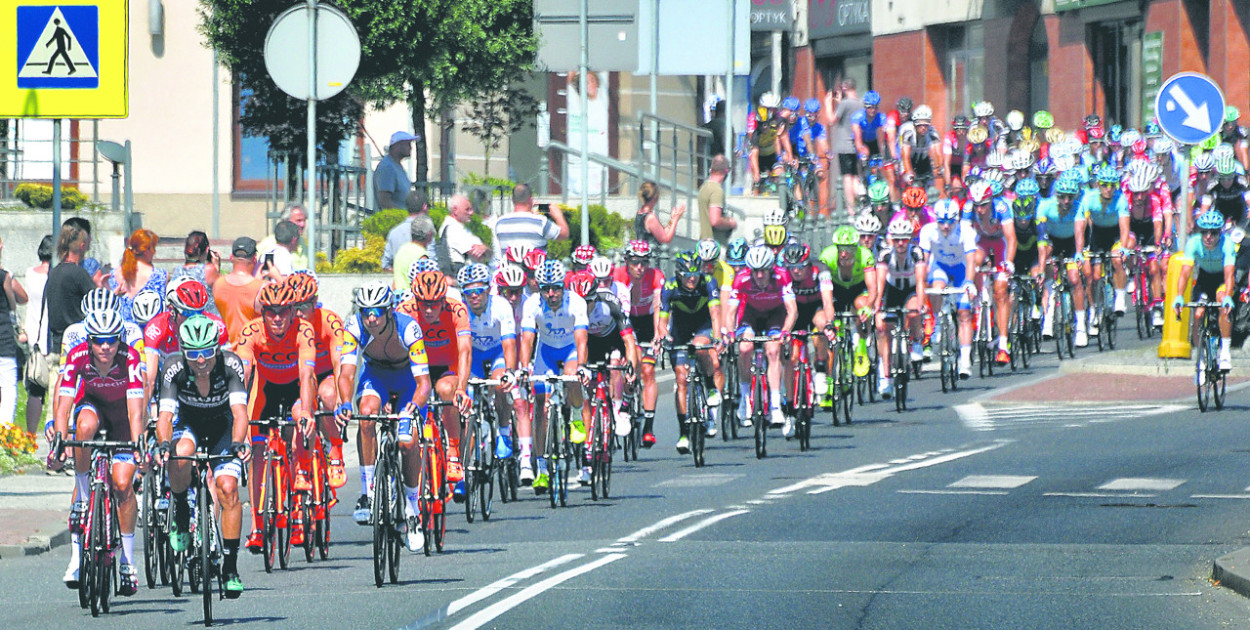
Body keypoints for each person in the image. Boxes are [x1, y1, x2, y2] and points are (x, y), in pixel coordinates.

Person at [50, 309, 144, 594]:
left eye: (111, 341)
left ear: (119, 339)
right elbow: (65, 401)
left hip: (122, 419)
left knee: (122, 485)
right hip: (92, 408)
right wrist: (59, 439)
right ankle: (82, 498)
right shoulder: (77, 356)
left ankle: (127, 560)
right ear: (90, 340)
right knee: (84, 427)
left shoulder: (131, 358)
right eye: (99, 341)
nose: (105, 347)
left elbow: (135, 409)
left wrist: (139, 444)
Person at [156, 315, 251, 598]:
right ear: (184, 352)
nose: (200, 360)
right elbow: (165, 416)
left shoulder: (231, 365)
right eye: (193, 353)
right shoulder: (173, 367)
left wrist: (237, 442)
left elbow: (240, 414)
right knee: (180, 454)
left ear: (217, 349)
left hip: (223, 427)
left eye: (206, 353)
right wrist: (163, 443)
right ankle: (182, 509)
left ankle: (231, 568)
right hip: (189, 425)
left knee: (229, 489)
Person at [336, 281, 432, 549]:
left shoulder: (408, 327)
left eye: (377, 311)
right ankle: (368, 493)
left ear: (389, 310)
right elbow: (346, 373)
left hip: (408, 383)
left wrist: (413, 405)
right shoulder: (354, 326)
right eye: (366, 311)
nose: (371, 318)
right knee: (366, 414)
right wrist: (345, 403)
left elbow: (424, 382)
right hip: (376, 377)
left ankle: (412, 508)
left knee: (407, 442)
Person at [235, 282, 317, 552]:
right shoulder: (251, 331)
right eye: (271, 312)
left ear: (293, 311)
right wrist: (237, 414)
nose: (278, 318)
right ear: (263, 312)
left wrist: (306, 410)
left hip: (296, 390)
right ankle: (257, 527)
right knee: (256, 452)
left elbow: (306, 376)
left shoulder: (304, 330)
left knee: (299, 423)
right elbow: (243, 374)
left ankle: (300, 489)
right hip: (267, 392)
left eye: (283, 311)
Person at [397, 271, 473, 499]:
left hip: (447, 365)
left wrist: (461, 386)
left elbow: (465, 350)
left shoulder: (457, 309)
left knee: (446, 391)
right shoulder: (404, 310)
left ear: (443, 300)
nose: (428, 310)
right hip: (417, 367)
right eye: (423, 304)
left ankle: (452, 450)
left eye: (434, 304)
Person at [517, 260, 591, 491]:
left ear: (563, 286)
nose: (551, 294)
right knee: (540, 405)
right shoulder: (532, 304)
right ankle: (541, 468)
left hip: (569, 349)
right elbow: (528, 338)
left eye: (556, 288)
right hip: (546, 351)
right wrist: (523, 367)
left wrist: (582, 366)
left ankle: (577, 415)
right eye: (546, 288)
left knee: (572, 374)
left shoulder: (576, 302)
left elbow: (581, 338)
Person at [726, 245, 796, 429]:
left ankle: (774, 405)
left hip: (775, 314)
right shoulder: (741, 278)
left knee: (773, 351)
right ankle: (744, 397)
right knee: (745, 348)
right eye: (755, 271)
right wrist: (731, 332)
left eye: (763, 271)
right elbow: (731, 310)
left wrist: (786, 331)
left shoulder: (782, 276)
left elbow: (792, 310)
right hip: (751, 315)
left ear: (770, 269)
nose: (759, 276)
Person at [657, 252, 723, 448]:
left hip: (702, 323)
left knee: (702, 348)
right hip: (680, 328)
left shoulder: (708, 281)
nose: (692, 278)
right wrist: (664, 337)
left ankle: (711, 387)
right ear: (679, 274)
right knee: (681, 379)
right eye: (687, 275)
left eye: (694, 274)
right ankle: (684, 433)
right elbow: (662, 321)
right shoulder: (669, 286)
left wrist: (718, 336)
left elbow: (715, 312)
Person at [613, 241, 665, 447]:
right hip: (626, 322)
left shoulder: (656, 276)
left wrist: (658, 335)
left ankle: (649, 427)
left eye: (644, 262)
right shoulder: (618, 276)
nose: (639, 268)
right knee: (627, 364)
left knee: (648, 371)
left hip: (646, 322)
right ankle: (625, 399)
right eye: (634, 263)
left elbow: (658, 306)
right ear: (626, 262)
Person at [1174, 210, 1237, 371]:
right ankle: (1200, 358)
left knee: (1223, 304)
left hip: (1221, 280)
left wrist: (1228, 296)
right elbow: (1185, 273)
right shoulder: (1193, 243)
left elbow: (1229, 274)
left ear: (1220, 233)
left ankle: (1225, 352)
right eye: (1205, 232)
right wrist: (1179, 296)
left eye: (1214, 233)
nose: (1209, 237)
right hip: (1204, 280)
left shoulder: (1227, 244)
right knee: (1198, 314)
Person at [44, 218, 95, 378]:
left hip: (56, 347)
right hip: (76, 350)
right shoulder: (79, 274)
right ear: (82, 246)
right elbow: (98, 305)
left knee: (57, 400)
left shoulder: (54, 272)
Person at [22, 234, 53, 433]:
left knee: (35, 392)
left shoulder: (29, 274)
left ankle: (30, 435)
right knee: (58, 391)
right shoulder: (55, 276)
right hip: (53, 339)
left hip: (34, 340)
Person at [489, 184, 570, 260]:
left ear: (513, 199)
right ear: (531, 199)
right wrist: (558, 215)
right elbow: (564, 234)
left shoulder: (500, 223)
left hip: (509, 271)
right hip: (535, 272)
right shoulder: (540, 222)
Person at [108, 229, 167, 324]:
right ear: (147, 251)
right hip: (151, 333)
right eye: (153, 248)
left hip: (121, 333)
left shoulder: (113, 274)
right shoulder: (160, 276)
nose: (154, 252)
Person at [213, 236, 264, 342]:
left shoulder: (218, 283)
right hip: (249, 350)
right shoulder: (261, 288)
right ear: (254, 259)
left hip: (224, 349)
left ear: (231, 257)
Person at [0, 235, 27, 425]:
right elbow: (13, 303)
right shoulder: (4, 276)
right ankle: (5, 434)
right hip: (3, 336)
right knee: (8, 387)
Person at [828, 78, 864, 216]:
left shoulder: (845, 103)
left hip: (844, 145)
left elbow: (832, 120)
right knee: (855, 175)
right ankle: (861, 198)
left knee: (847, 176)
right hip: (856, 145)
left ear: (844, 88)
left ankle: (851, 208)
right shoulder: (860, 103)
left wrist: (827, 104)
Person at [382, 187, 441, 272]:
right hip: (422, 282)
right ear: (424, 207)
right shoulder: (426, 229)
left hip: (400, 283)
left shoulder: (394, 232)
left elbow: (385, 265)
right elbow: (431, 262)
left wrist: (402, 272)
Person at [170, 230, 221, 316]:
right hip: (207, 321)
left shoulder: (177, 271)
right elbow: (221, 291)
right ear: (207, 249)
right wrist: (217, 266)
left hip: (185, 318)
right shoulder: (208, 270)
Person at [439, 194, 490, 275]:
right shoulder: (453, 228)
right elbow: (477, 252)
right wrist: (485, 249)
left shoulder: (457, 226)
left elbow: (483, 251)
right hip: (464, 276)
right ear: (455, 210)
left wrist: (484, 248)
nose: (471, 213)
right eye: (467, 209)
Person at [699, 155, 738, 245]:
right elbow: (715, 220)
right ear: (726, 171)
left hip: (703, 243)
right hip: (714, 246)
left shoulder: (704, 187)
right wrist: (731, 223)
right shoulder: (717, 190)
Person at [375, 131, 418, 211]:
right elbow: (384, 201)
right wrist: (404, 216)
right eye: (407, 144)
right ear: (397, 146)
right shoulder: (388, 167)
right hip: (394, 221)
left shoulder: (397, 166)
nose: (411, 148)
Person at [392, 214, 436, 292]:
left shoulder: (402, 249)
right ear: (429, 234)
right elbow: (425, 286)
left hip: (398, 298)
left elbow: (395, 280)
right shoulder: (422, 256)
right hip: (411, 299)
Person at [634, 181, 685, 247]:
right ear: (655, 197)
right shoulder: (650, 218)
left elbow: (662, 233)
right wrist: (676, 219)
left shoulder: (640, 212)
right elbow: (665, 239)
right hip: (652, 254)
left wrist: (672, 220)